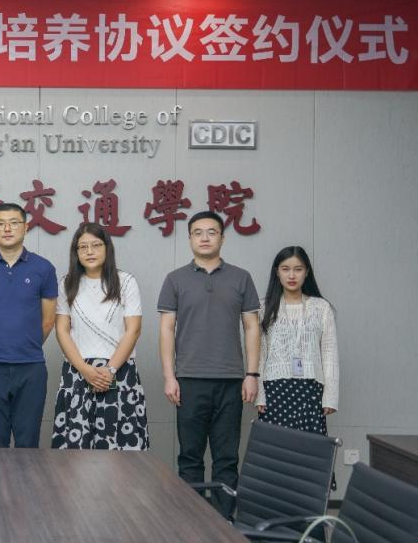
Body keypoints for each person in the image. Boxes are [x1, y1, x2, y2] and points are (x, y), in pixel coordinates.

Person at [158, 210, 261, 520]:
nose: (204, 238)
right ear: (190, 238)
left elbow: (252, 327)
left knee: (227, 458)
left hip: (231, 381)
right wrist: (169, 376)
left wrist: (252, 374)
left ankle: (223, 523)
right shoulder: (175, 279)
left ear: (222, 238)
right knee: (189, 457)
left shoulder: (241, 277)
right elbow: (166, 329)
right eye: (198, 232)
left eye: (211, 232)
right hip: (188, 380)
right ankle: (191, 523)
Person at [0, 202, 58, 448]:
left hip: (31, 367)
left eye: (14, 223)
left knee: (28, 442)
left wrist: (25, 345)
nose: (7, 229)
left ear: (26, 227)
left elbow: (49, 320)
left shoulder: (43, 268)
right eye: (0, 223)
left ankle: (27, 478)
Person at [52, 222, 148, 450]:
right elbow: (62, 330)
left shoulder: (125, 282)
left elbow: (133, 329)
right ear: (76, 252)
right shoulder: (67, 283)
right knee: (76, 450)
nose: (89, 251)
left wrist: (110, 370)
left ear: (107, 248)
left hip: (119, 371)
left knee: (120, 448)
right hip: (78, 371)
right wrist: (84, 369)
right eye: (83, 247)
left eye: (96, 245)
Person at [257, 246, 339, 435]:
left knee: (309, 447)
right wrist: (260, 393)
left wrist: (330, 396)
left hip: (311, 389)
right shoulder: (264, 307)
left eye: (298, 269)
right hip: (275, 389)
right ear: (277, 272)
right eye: (285, 269)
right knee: (276, 446)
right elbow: (260, 353)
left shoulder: (321, 307)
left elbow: (329, 353)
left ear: (307, 272)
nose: (292, 275)